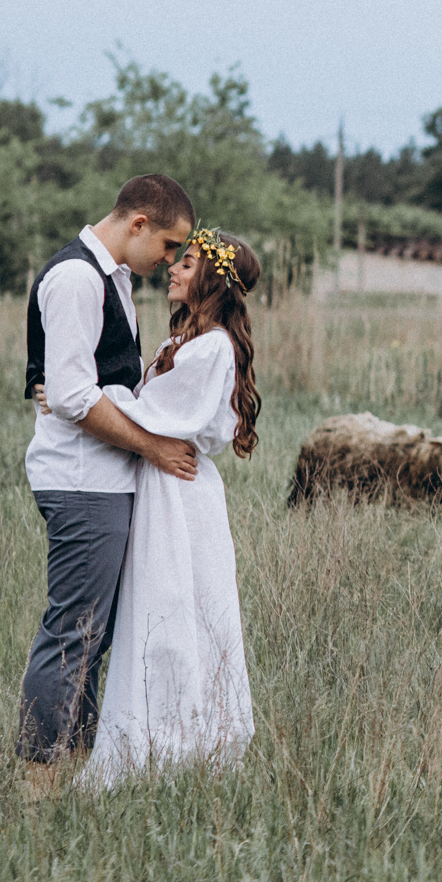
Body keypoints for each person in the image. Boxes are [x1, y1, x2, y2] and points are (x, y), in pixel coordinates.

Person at [19, 176, 199, 800]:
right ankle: (39, 784)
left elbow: (86, 380)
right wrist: (152, 446)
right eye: (170, 245)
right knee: (73, 631)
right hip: (81, 480)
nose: (171, 261)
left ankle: (77, 769)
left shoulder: (112, 278)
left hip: (104, 479)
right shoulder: (77, 277)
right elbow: (72, 396)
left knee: (94, 635)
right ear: (139, 222)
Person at [84, 228, 263, 788]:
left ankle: (183, 742)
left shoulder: (212, 348)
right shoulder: (180, 344)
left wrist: (85, 396)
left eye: (186, 263)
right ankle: (150, 740)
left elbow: (156, 415)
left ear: (211, 280)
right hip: (160, 480)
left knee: (178, 608)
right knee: (157, 608)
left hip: (179, 492)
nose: (174, 270)